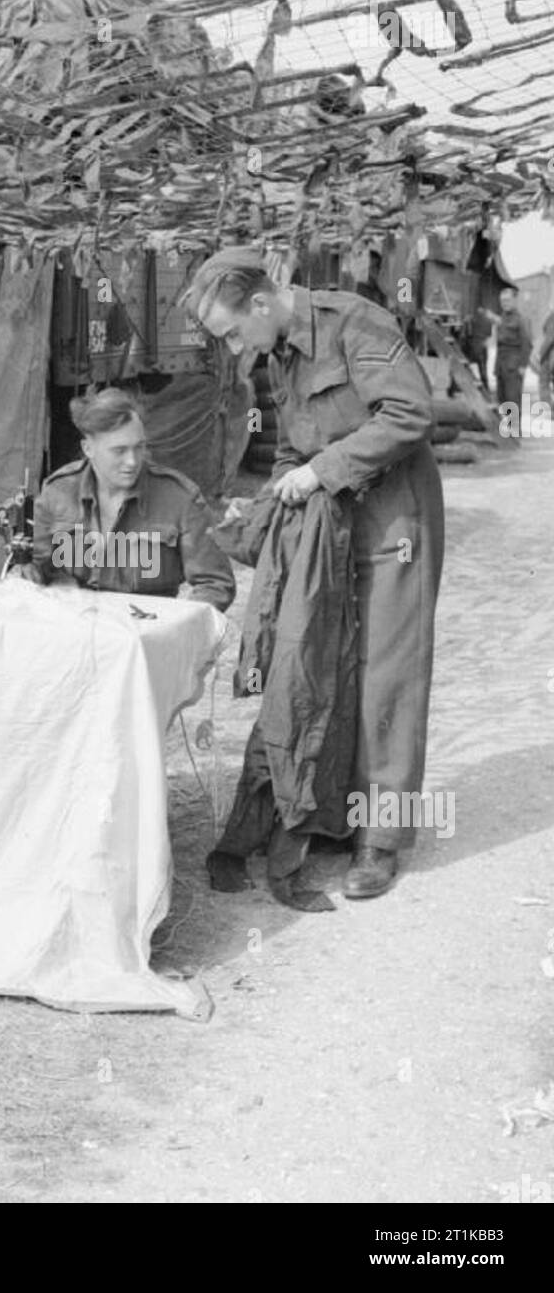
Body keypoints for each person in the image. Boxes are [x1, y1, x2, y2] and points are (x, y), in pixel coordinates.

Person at [187, 249, 445, 899]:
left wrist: (322, 471)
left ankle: (381, 840)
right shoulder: (279, 354)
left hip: (394, 522)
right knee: (328, 662)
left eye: (232, 332)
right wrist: (273, 496)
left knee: (388, 676)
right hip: (332, 526)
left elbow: (410, 413)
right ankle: (333, 815)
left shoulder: (354, 322)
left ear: (262, 304)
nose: (234, 348)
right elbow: (292, 449)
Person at [25, 388, 235, 612]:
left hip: (146, 633)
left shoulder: (179, 498)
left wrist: (174, 624)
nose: (132, 461)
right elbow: (38, 564)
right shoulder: (58, 493)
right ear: (88, 448)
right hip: (76, 628)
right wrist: (27, 575)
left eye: (139, 447)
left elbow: (215, 583)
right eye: (119, 451)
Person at [484, 287, 533, 413]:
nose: (505, 303)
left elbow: (527, 343)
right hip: (501, 366)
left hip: (513, 367)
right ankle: (508, 431)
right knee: (502, 400)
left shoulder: (522, 319)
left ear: (515, 300)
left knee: (513, 402)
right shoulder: (503, 317)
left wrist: (523, 365)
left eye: (507, 300)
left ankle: (515, 432)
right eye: (502, 301)